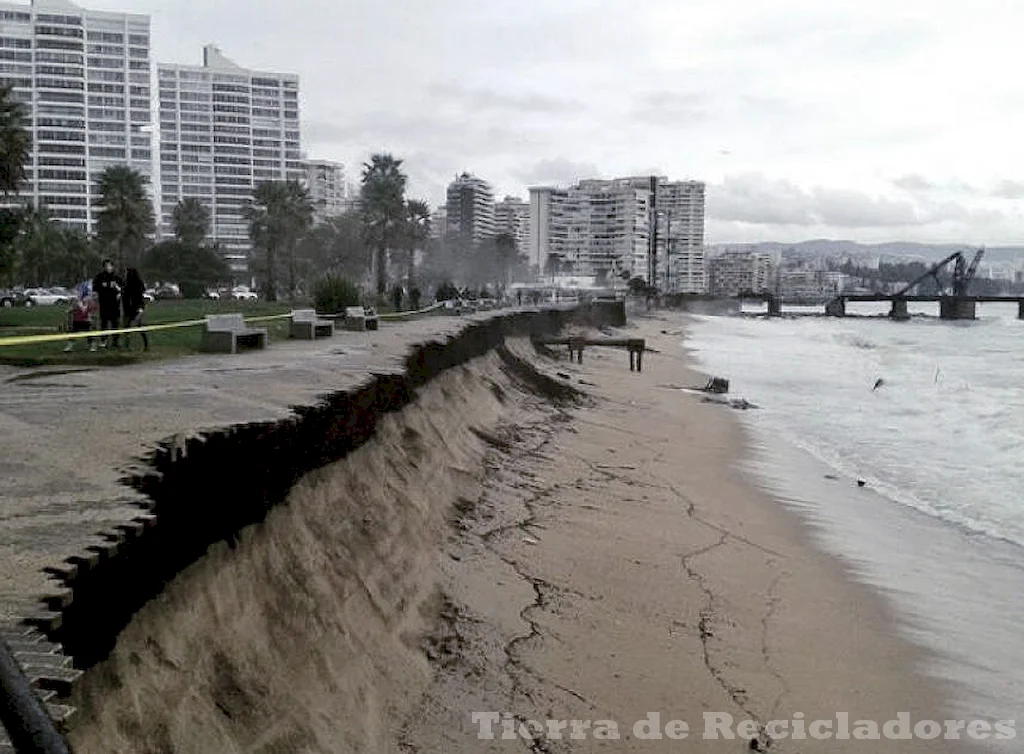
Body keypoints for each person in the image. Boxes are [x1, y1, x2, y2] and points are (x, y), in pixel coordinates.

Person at [92, 259, 122, 348]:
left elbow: (122, 288)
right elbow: (95, 288)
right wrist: (102, 287)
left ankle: (115, 341)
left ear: (112, 267)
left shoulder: (116, 277)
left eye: (109, 265)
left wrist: (119, 292)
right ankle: (103, 340)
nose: (108, 267)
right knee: (104, 323)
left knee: (115, 323)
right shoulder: (100, 277)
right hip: (104, 304)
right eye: (106, 266)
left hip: (114, 305)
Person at [121, 267, 148, 351]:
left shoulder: (138, 284)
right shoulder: (126, 284)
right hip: (128, 309)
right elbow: (124, 297)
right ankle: (127, 345)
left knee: (139, 325)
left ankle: (146, 344)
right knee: (127, 327)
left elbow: (140, 298)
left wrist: (140, 309)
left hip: (136, 308)